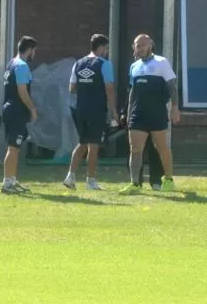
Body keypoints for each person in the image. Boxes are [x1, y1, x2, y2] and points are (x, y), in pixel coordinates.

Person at [120, 34, 181, 194]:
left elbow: (172, 87)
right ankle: (135, 184)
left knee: (161, 147)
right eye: (136, 45)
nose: (139, 48)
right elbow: (132, 91)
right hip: (138, 114)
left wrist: (175, 108)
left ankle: (168, 179)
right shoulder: (134, 66)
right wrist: (128, 112)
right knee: (135, 149)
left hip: (157, 113)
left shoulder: (161, 62)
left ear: (150, 45)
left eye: (142, 45)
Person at [64, 34, 118, 190]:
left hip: (80, 109)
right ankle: (91, 180)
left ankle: (70, 177)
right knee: (94, 145)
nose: (107, 51)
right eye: (106, 48)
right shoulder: (104, 64)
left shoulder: (78, 63)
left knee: (82, 142)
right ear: (101, 47)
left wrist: (85, 87)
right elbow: (109, 88)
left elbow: (72, 88)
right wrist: (113, 110)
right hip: (96, 109)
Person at [0, 36, 38, 194]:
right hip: (16, 110)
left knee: (15, 146)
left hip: (10, 108)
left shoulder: (11, 63)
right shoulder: (22, 66)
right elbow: (22, 91)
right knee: (13, 147)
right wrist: (32, 108)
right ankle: (7, 183)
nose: (34, 53)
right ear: (29, 50)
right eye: (34, 50)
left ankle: (12, 179)